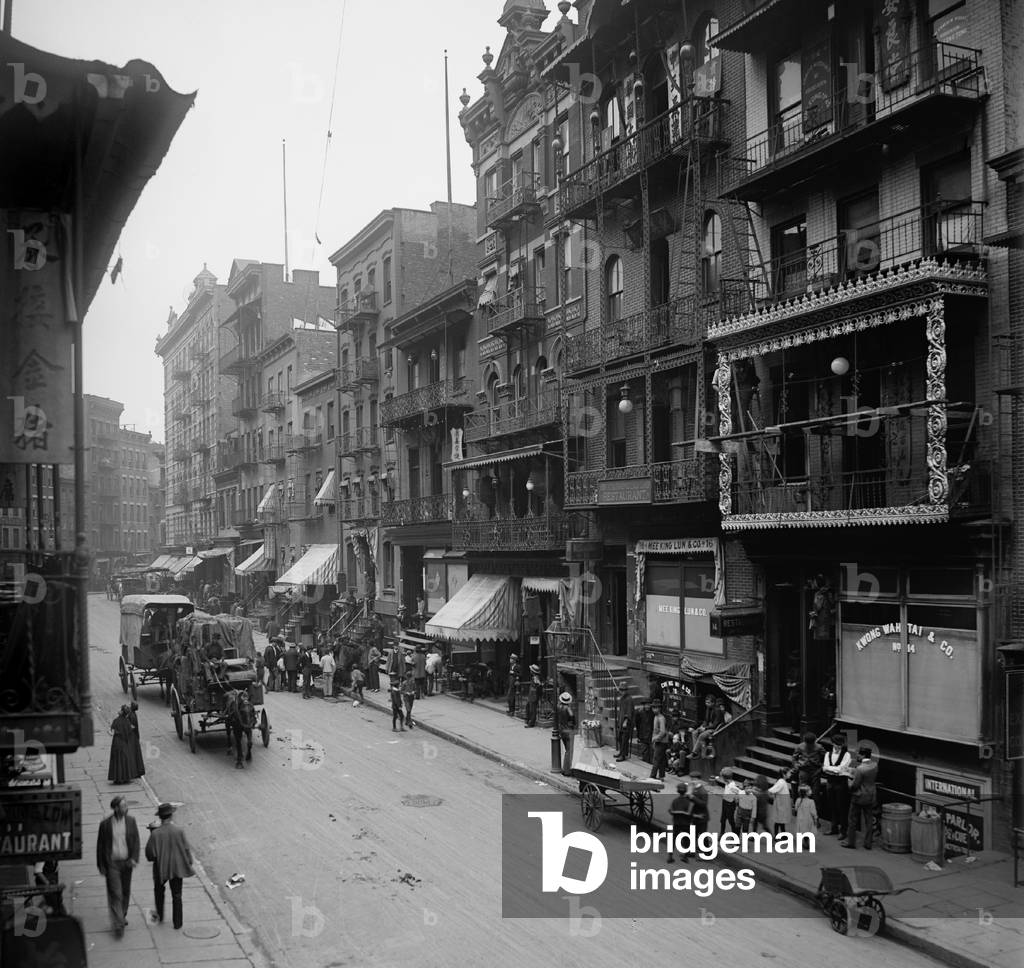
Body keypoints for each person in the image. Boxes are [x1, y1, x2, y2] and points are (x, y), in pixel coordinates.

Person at [145, 803, 194, 930]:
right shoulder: (179, 831)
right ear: (171, 816)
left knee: (159, 891)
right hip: (176, 867)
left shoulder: (155, 834)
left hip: (161, 867)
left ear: (160, 817)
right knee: (177, 895)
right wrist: (189, 861)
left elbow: (149, 854)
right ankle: (177, 923)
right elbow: (186, 848)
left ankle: (160, 915)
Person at [97, 795, 140, 939]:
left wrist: (134, 858)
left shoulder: (131, 821)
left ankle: (122, 914)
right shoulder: (105, 825)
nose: (126, 808)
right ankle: (118, 924)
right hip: (112, 864)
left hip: (127, 863)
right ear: (115, 808)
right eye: (123, 806)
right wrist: (101, 866)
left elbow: (136, 841)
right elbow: (100, 846)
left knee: (126, 891)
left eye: (126, 805)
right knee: (116, 893)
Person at [842, 746, 878, 850]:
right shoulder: (874, 765)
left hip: (859, 796)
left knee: (852, 819)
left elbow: (855, 785)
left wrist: (849, 782)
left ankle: (851, 842)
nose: (857, 755)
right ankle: (868, 843)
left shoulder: (860, 769)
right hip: (870, 795)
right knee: (869, 820)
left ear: (862, 755)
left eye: (858, 754)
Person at [822, 730, 853, 838]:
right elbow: (824, 768)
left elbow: (842, 769)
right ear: (832, 743)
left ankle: (843, 831)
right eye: (836, 744)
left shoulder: (847, 755)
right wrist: (835, 770)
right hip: (830, 783)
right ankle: (833, 828)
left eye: (840, 745)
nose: (838, 747)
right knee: (832, 806)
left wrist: (832, 769)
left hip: (841, 783)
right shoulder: (827, 754)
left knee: (842, 807)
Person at [790, 731, 823, 801]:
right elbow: (794, 757)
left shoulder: (819, 747)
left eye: (811, 744)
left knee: (816, 791)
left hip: (815, 770)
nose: (810, 745)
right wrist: (796, 765)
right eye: (808, 744)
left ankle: (815, 809)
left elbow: (825, 758)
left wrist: (821, 767)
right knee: (802, 790)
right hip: (803, 770)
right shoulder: (800, 746)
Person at [108, 705, 135, 784]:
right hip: (123, 742)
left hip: (116, 742)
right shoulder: (127, 722)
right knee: (124, 759)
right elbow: (130, 731)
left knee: (116, 760)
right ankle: (125, 777)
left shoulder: (116, 720)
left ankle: (117, 778)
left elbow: (111, 732)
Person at [718, 767, 742, 834]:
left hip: (730, 804)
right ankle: (722, 833)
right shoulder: (727, 783)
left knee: (731, 820)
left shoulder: (732, 786)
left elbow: (739, 792)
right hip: (725, 802)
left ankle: (736, 834)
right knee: (722, 820)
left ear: (725, 778)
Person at [556, 692, 576, 774]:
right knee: (569, 751)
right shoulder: (568, 709)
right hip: (568, 731)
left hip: (561, 730)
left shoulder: (558, 707)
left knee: (567, 750)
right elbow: (572, 717)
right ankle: (566, 770)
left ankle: (566, 768)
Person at [614, 682, 635, 762]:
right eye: (621, 690)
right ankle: (622, 752)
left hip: (626, 723)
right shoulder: (622, 698)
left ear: (626, 690)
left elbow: (629, 712)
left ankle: (623, 755)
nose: (622, 691)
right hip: (621, 721)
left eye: (624, 690)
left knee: (624, 739)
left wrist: (626, 721)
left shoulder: (629, 699)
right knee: (620, 738)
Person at [649, 702, 669, 780]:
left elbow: (663, 732)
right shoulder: (656, 717)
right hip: (660, 741)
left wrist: (655, 738)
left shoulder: (661, 718)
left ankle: (653, 776)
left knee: (656, 759)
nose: (654, 709)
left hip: (661, 741)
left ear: (659, 708)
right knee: (662, 759)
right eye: (653, 708)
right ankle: (661, 776)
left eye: (656, 708)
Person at [768, 769, 792, 834]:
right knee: (778, 821)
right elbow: (772, 790)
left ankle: (783, 834)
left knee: (781, 820)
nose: (790, 774)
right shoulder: (781, 782)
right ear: (784, 775)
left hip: (782, 804)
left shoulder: (783, 781)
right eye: (789, 773)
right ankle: (776, 835)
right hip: (780, 805)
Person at [127, 702, 145, 780]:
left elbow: (132, 727)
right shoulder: (132, 714)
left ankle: (135, 771)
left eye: (130, 705)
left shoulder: (132, 715)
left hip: (132, 737)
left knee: (133, 754)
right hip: (134, 736)